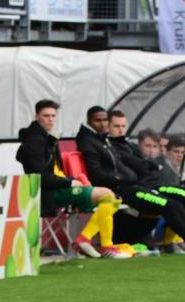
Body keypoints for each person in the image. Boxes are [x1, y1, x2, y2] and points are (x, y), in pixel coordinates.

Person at [78, 109, 185, 254]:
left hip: (146, 185)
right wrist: (138, 173)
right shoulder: (108, 146)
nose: (120, 129)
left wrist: (146, 171)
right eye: (116, 125)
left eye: (123, 126)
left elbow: (142, 167)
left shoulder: (125, 146)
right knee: (172, 204)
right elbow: (131, 169)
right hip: (131, 190)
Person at [15, 100, 128, 259]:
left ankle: (85, 239)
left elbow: (57, 171)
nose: (50, 119)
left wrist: (75, 179)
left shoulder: (48, 138)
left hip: (60, 187)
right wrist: (70, 182)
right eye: (46, 115)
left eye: (53, 116)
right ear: (36, 117)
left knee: (115, 198)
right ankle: (104, 246)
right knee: (108, 196)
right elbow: (40, 177)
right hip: (48, 193)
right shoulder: (34, 142)